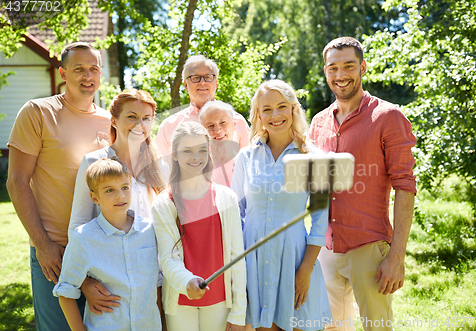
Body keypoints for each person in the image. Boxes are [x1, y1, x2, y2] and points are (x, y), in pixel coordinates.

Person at [308, 37, 417, 331]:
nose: (340, 75)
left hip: (368, 246)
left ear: (363, 67)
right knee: (327, 327)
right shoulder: (318, 122)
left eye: (348, 66)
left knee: (376, 327)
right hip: (326, 246)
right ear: (325, 71)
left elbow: (405, 186)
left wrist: (396, 256)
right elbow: (317, 185)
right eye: (333, 68)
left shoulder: (388, 116)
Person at [6, 42, 111, 330]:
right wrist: (42, 244)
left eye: (93, 69)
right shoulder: (38, 112)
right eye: (79, 69)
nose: (87, 75)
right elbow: (16, 181)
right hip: (55, 251)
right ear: (64, 73)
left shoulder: (109, 121)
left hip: (102, 250)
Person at [231, 80, 331, 331]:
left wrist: (305, 272)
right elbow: (236, 215)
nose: (275, 115)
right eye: (266, 109)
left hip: (295, 259)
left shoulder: (314, 158)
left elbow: (320, 221)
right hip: (252, 261)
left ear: (294, 109)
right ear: (258, 115)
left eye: (281, 107)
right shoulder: (246, 156)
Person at [68, 89, 166, 319]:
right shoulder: (94, 161)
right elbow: (78, 225)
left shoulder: (159, 164)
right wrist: (84, 282)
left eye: (146, 118)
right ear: (114, 120)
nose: (139, 124)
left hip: (155, 274)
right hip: (110, 278)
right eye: (131, 116)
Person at [152, 121, 246, 331]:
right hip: (180, 301)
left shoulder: (227, 198)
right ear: (174, 154)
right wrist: (187, 282)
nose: (196, 157)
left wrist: (239, 313)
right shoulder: (163, 203)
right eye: (187, 151)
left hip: (220, 301)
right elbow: (167, 258)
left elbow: (236, 257)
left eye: (202, 150)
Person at [53, 157, 162, 330]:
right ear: (94, 198)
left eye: (125, 187)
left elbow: (157, 283)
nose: (120, 195)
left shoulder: (150, 231)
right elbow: (66, 292)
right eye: (109, 190)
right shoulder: (84, 238)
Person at [155, 55, 249, 159]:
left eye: (208, 77)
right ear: (186, 84)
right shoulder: (169, 126)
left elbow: (250, 164)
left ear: (216, 83)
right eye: (195, 78)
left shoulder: (237, 121)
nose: (202, 82)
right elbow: (161, 170)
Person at [199, 100, 242, 186]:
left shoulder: (247, 162)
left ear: (234, 125)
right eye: (210, 126)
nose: (217, 130)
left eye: (223, 122)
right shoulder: (199, 168)